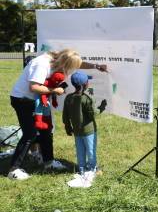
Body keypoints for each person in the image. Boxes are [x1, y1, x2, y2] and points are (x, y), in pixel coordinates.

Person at [8, 49, 107, 181]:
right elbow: (34, 87)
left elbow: (79, 64)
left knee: (46, 131)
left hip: (38, 99)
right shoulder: (42, 64)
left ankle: (49, 162)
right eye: (70, 68)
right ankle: (13, 169)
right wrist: (55, 90)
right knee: (30, 134)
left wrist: (95, 66)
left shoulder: (59, 58)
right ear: (65, 63)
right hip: (23, 100)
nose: (70, 71)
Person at [63, 71, 107, 188]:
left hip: (76, 131)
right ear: (85, 84)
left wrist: (68, 126)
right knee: (91, 150)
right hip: (89, 131)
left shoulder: (68, 98)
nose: (88, 83)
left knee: (80, 150)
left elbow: (65, 115)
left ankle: (81, 169)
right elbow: (93, 114)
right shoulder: (87, 99)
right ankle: (92, 169)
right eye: (87, 81)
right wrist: (102, 107)